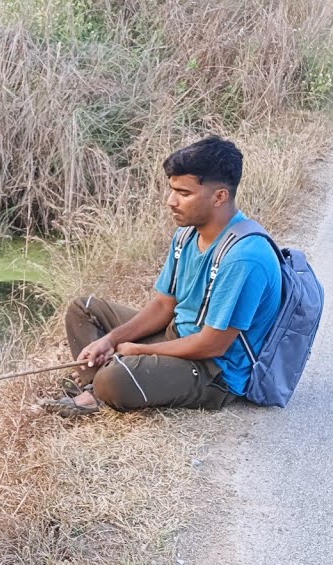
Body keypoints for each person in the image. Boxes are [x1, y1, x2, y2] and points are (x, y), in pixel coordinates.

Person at [45, 135, 283, 417]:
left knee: (114, 380)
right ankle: (97, 383)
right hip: (179, 333)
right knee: (83, 309)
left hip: (215, 369)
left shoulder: (244, 257)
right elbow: (164, 306)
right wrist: (110, 340)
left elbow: (212, 344)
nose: (170, 201)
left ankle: (99, 386)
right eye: (171, 190)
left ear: (220, 196)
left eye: (184, 193)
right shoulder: (186, 235)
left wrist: (140, 352)